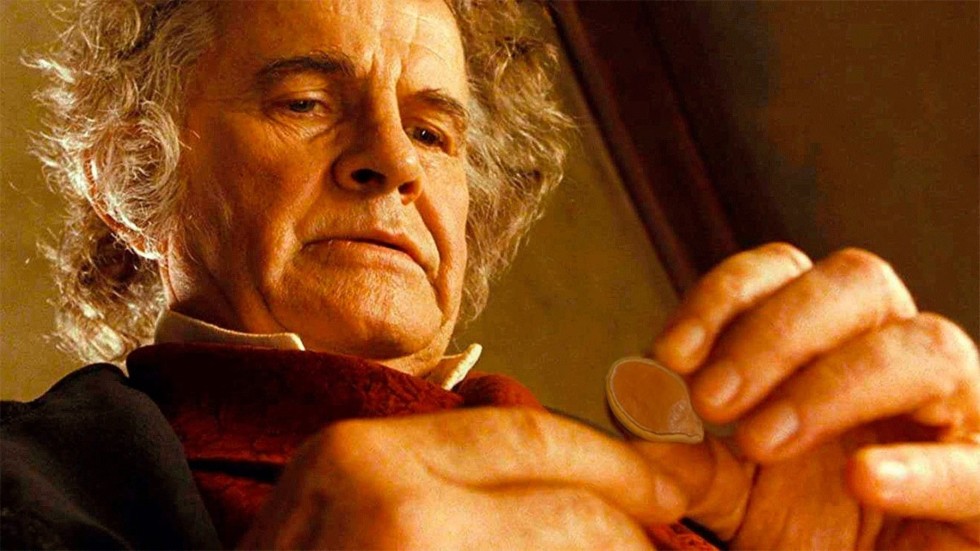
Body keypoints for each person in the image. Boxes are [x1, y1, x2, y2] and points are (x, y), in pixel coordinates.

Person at [2, 0, 978, 548]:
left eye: (434, 131)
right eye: (304, 103)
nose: (394, 160)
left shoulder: (708, 512)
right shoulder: (30, 480)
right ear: (132, 172)